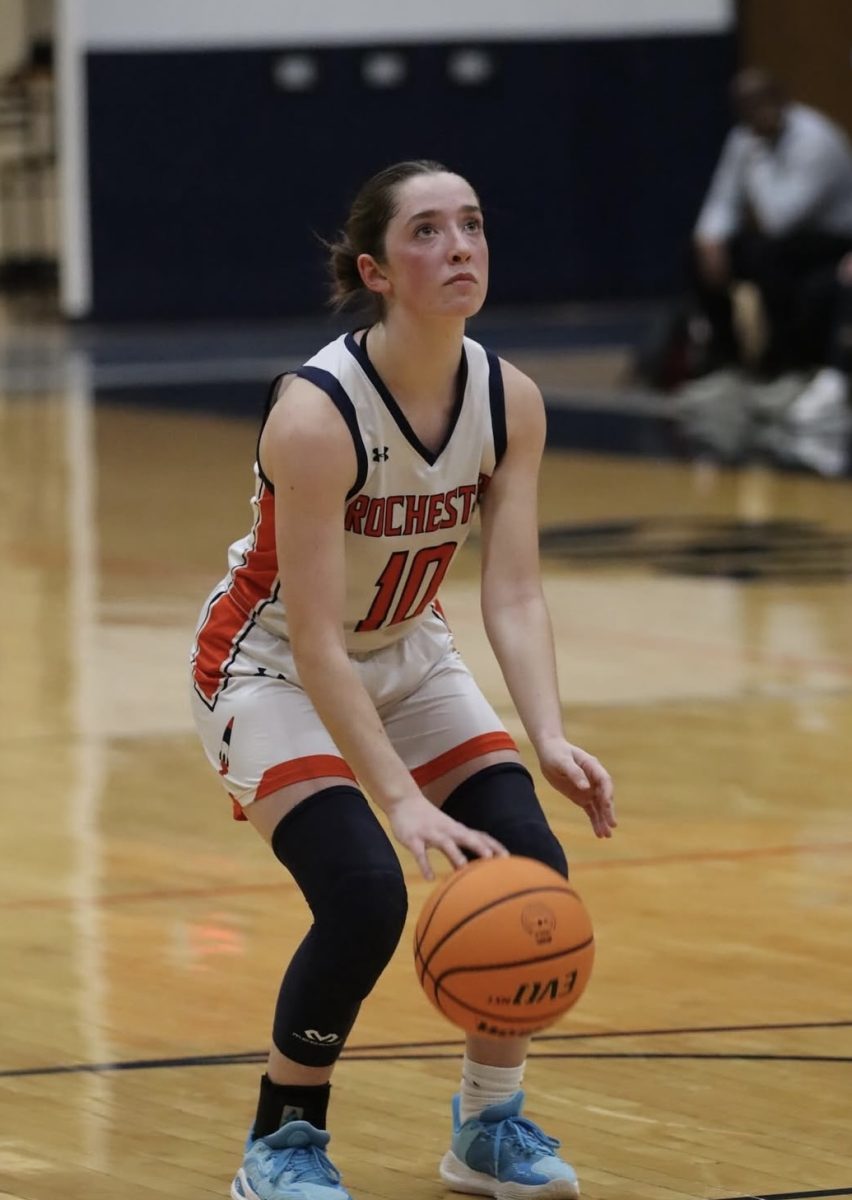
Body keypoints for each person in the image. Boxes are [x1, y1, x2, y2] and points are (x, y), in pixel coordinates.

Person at [190, 159, 616, 1200]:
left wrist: (548, 734)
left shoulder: (508, 398)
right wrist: (399, 800)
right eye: (429, 231)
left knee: (529, 861)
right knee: (368, 891)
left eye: (471, 224)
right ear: (375, 269)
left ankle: (488, 1126)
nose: (461, 246)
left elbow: (511, 595)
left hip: (407, 650)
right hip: (272, 665)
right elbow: (322, 642)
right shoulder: (316, 414)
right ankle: (282, 1142)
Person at [691, 68, 852, 378]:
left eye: (760, 102)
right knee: (698, 253)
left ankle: (787, 363)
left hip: (832, 238)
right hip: (786, 240)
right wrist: (709, 239)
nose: (755, 112)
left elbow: (779, 218)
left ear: (781, 100)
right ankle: (725, 360)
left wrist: (756, 158)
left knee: (767, 256)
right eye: (745, 105)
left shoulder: (816, 140)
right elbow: (722, 198)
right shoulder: (743, 137)